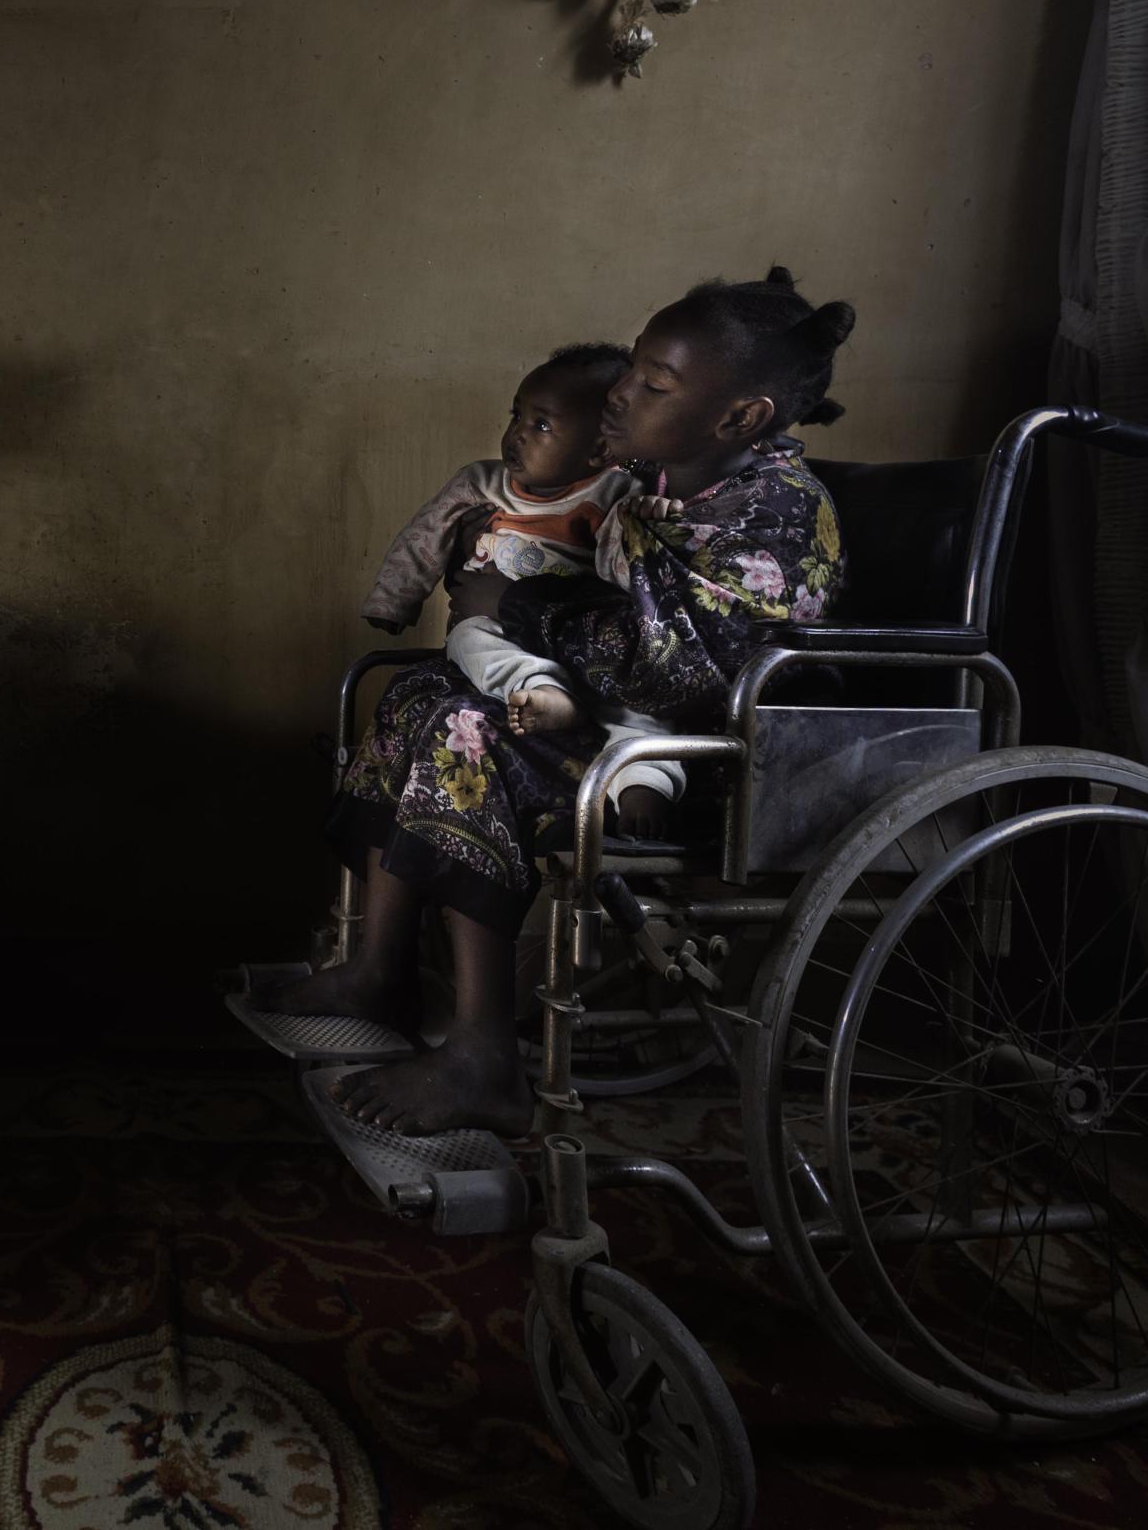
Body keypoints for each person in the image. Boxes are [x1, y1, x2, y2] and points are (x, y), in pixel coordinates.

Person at [265, 268, 853, 1137]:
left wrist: (515, 604)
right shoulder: (661, 475)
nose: (619, 392)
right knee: (419, 692)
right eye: (633, 368)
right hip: (611, 718)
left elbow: (674, 672)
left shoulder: (775, 517)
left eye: (653, 382)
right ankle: (379, 970)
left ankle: (482, 1054)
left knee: (465, 732)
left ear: (739, 417)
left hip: (705, 758)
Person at [359, 344, 675, 831]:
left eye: (541, 425)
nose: (517, 435)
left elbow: (624, 573)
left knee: (637, 706)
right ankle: (541, 690)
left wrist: (648, 521)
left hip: (579, 641)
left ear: (598, 451)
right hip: (499, 632)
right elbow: (425, 536)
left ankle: (644, 780)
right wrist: (394, 597)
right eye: (517, 416)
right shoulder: (481, 482)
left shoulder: (614, 495)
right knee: (469, 637)